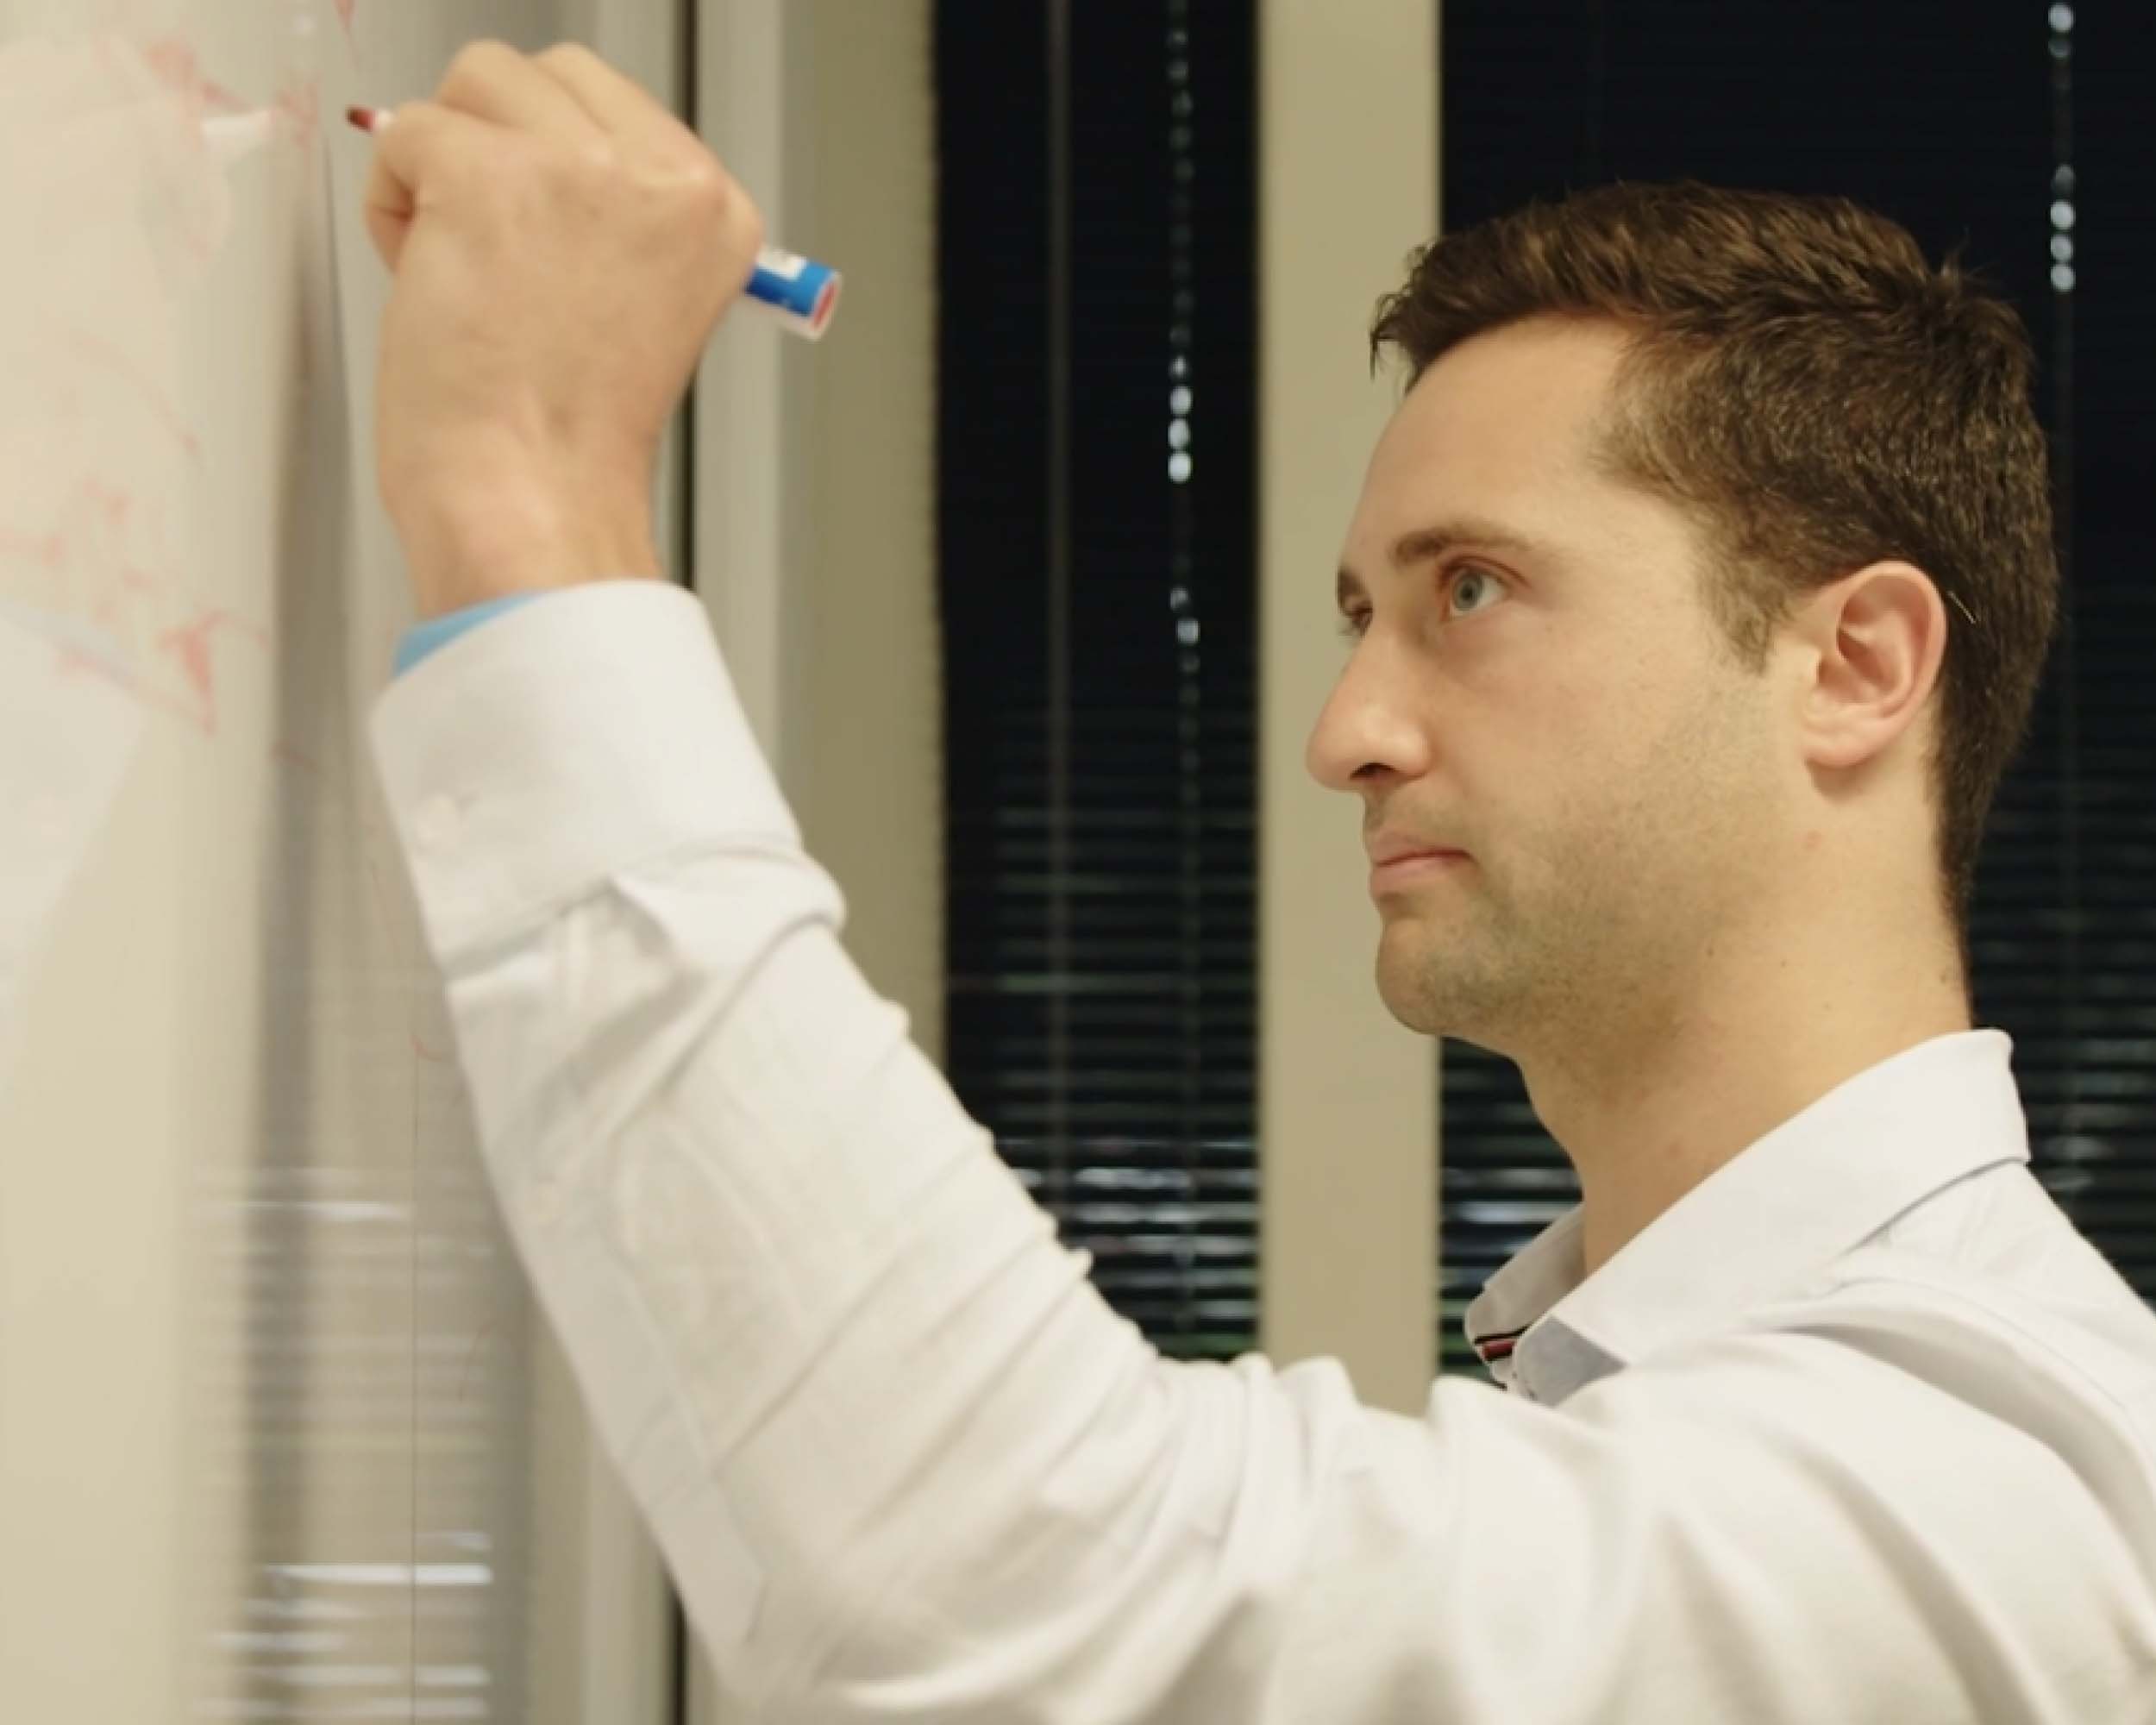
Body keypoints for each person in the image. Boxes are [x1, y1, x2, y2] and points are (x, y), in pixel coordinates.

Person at [359, 40, 2156, 1723]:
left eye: (1470, 591)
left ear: (1853, 665)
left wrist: (533, 505)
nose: (1344, 732)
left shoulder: (1997, 1474)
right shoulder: (1679, 1382)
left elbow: (1053, 1593)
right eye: (1362, 617)